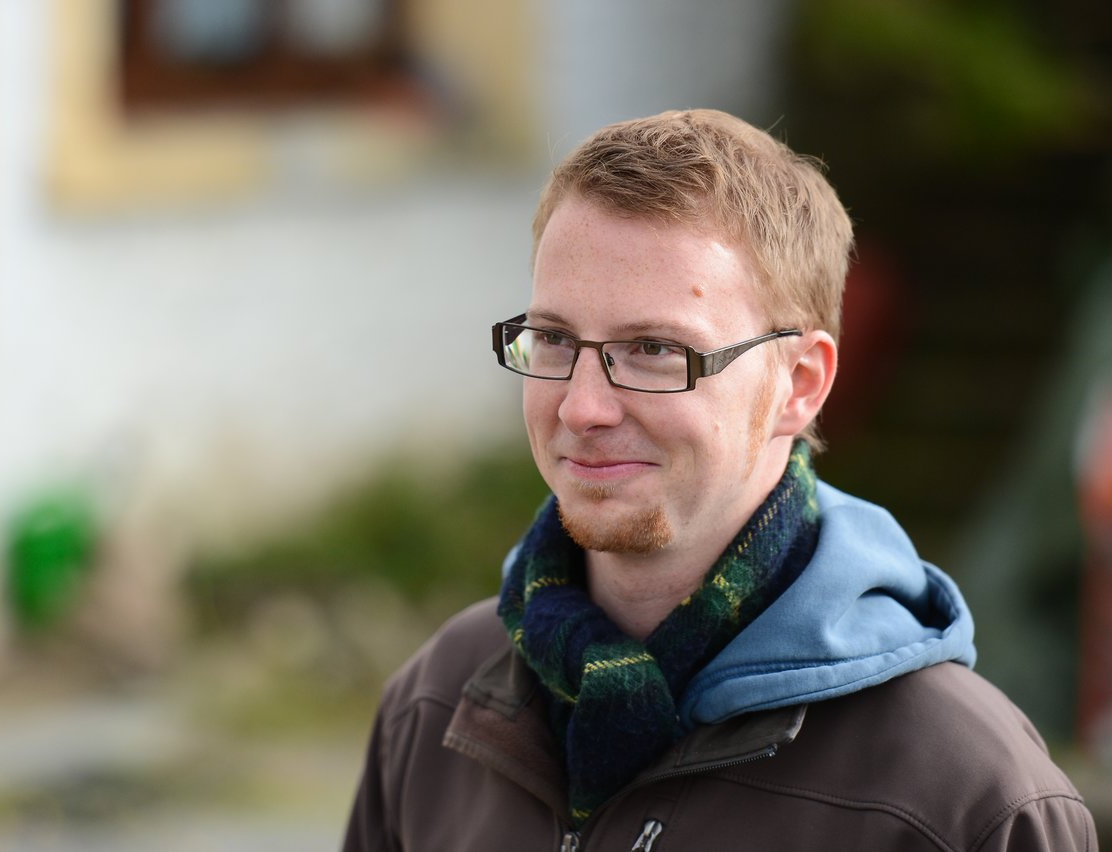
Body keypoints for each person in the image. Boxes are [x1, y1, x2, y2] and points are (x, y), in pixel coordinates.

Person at [342, 109, 1098, 851]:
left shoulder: (964, 798)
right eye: (553, 339)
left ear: (800, 383)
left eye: (653, 350)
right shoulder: (436, 703)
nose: (583, 406)